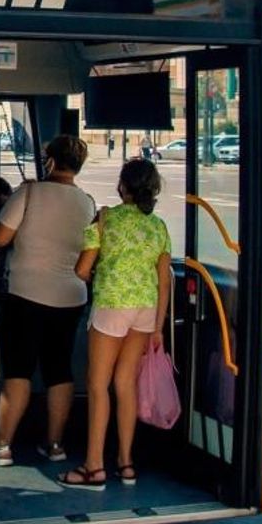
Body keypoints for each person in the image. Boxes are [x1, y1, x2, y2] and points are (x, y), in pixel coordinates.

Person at [59, 159, 171, 490]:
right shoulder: (159, 227)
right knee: (125, 383)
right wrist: (159, 327)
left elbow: (81, 270)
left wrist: (101, 275)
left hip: (111, 306)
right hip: (145, 311)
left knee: (98, 385)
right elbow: (164, 281)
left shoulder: (106, 219)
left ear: (122, 187)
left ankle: (94, 467)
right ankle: (126, 463)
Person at [0, 135, 96, 467]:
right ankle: (54, 445)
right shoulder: (87, 202)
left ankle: (3, 445)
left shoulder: (29, 192)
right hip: (70, 298)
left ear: (50, 160)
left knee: (19, 370)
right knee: (59, 369)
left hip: (26, 295)